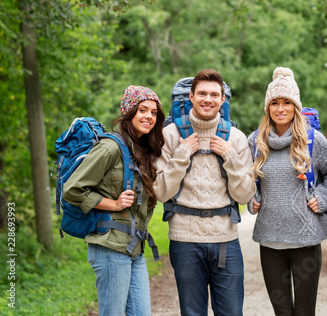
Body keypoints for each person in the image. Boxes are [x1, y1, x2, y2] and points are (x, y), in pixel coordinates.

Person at [153, 69, 256, 316]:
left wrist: (229, 156)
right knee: (192, 313)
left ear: (222, 99)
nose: (207, 99)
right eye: (202, 93)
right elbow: (161, 191)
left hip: (225, 240)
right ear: (191, 96)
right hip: (185, 240)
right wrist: (182, 154)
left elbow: (244, 195)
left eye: (214, 94)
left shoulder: (236, 138)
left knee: (231, 312)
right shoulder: (170, 136)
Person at [63, 85, 165, 315]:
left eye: (153, 112)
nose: (149, 116)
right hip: (110, 248)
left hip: (134, 248)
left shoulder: (140, 149)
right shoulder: (110, 147)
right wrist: (114, 204)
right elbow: (72, 189)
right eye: (142, 110)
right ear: (129, 113)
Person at [248, 67, 327, 316]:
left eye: (287, 102)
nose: (280, 108)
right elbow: (248, 183)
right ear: (268, 108)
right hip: (270, 240)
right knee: (282, 311)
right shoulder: (255, 142)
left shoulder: (313, 141)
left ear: (295, 106)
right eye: (274, 102)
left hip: (305, 239)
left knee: (305, 311)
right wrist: (252, 200)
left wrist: (323, 198)